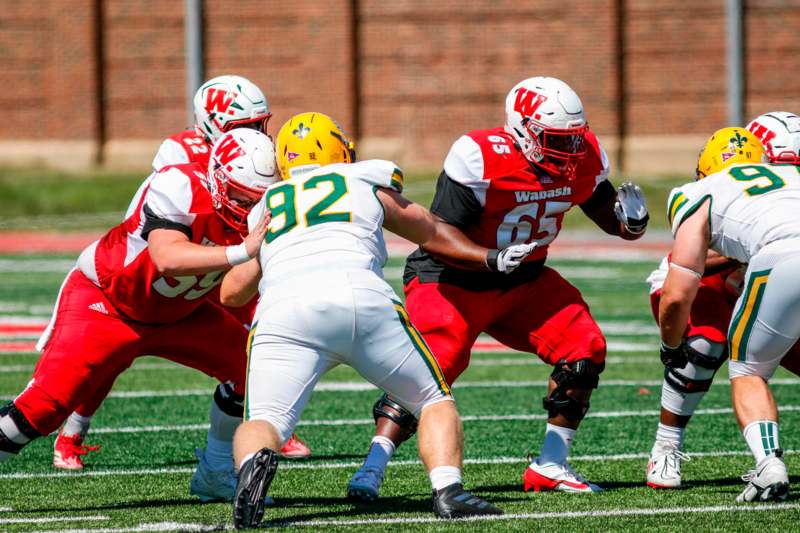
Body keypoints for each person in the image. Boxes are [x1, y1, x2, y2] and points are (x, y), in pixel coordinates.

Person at [347, 76, 651, 501]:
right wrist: (489, 258)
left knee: (585, 347)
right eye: (555, 140)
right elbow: (436, 232)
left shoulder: (583, 155)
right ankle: (372, 467)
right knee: (432, 368)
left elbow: (605, 214)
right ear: (522, 130)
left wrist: (630, 224)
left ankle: (551, 463)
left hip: (523, 279)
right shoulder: (481, 157)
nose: (568, 151)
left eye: (572, 139)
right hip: (450, 279)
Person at [221, 112, 531, 528]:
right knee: (432, 398)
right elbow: (429, 231)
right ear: (338, 149)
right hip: (358, 296)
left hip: (284, 309)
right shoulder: (364, 179)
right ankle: (448, 490)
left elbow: (232, 292)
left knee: (264, 421)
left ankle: (253, 468)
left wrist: (261, 252)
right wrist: (487, 257)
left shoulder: (269, 203)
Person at [0, 129, 277, 504]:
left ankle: (214, 472)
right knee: (43, 410)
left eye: (257, 199)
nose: (249, 207)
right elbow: (167, 257)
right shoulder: (180, 185)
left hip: (182, 313)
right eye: (242, 196)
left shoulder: (266, 208)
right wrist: (243, 250)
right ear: (217, 179)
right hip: (108, 303)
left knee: (251, 369)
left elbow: (231, 292)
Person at [53, 75, 310, 471]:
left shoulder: (255, 153)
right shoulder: (178, 153)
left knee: (256, 330)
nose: (258, 133)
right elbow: (174, 219)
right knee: (112, 352)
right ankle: (73, 430)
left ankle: (264, 421)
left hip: (224, 255)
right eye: (245, 126)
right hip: (186, 258)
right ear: (213, 122)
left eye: (259, 124)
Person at [645, 111, 800, 489]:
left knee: (747, 370)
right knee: (702, 347)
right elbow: (682, 278)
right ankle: (666, 446)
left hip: (773, 275)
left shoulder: (704, 190)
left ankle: (767, 463)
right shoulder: (721, 193)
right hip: (715, 285)